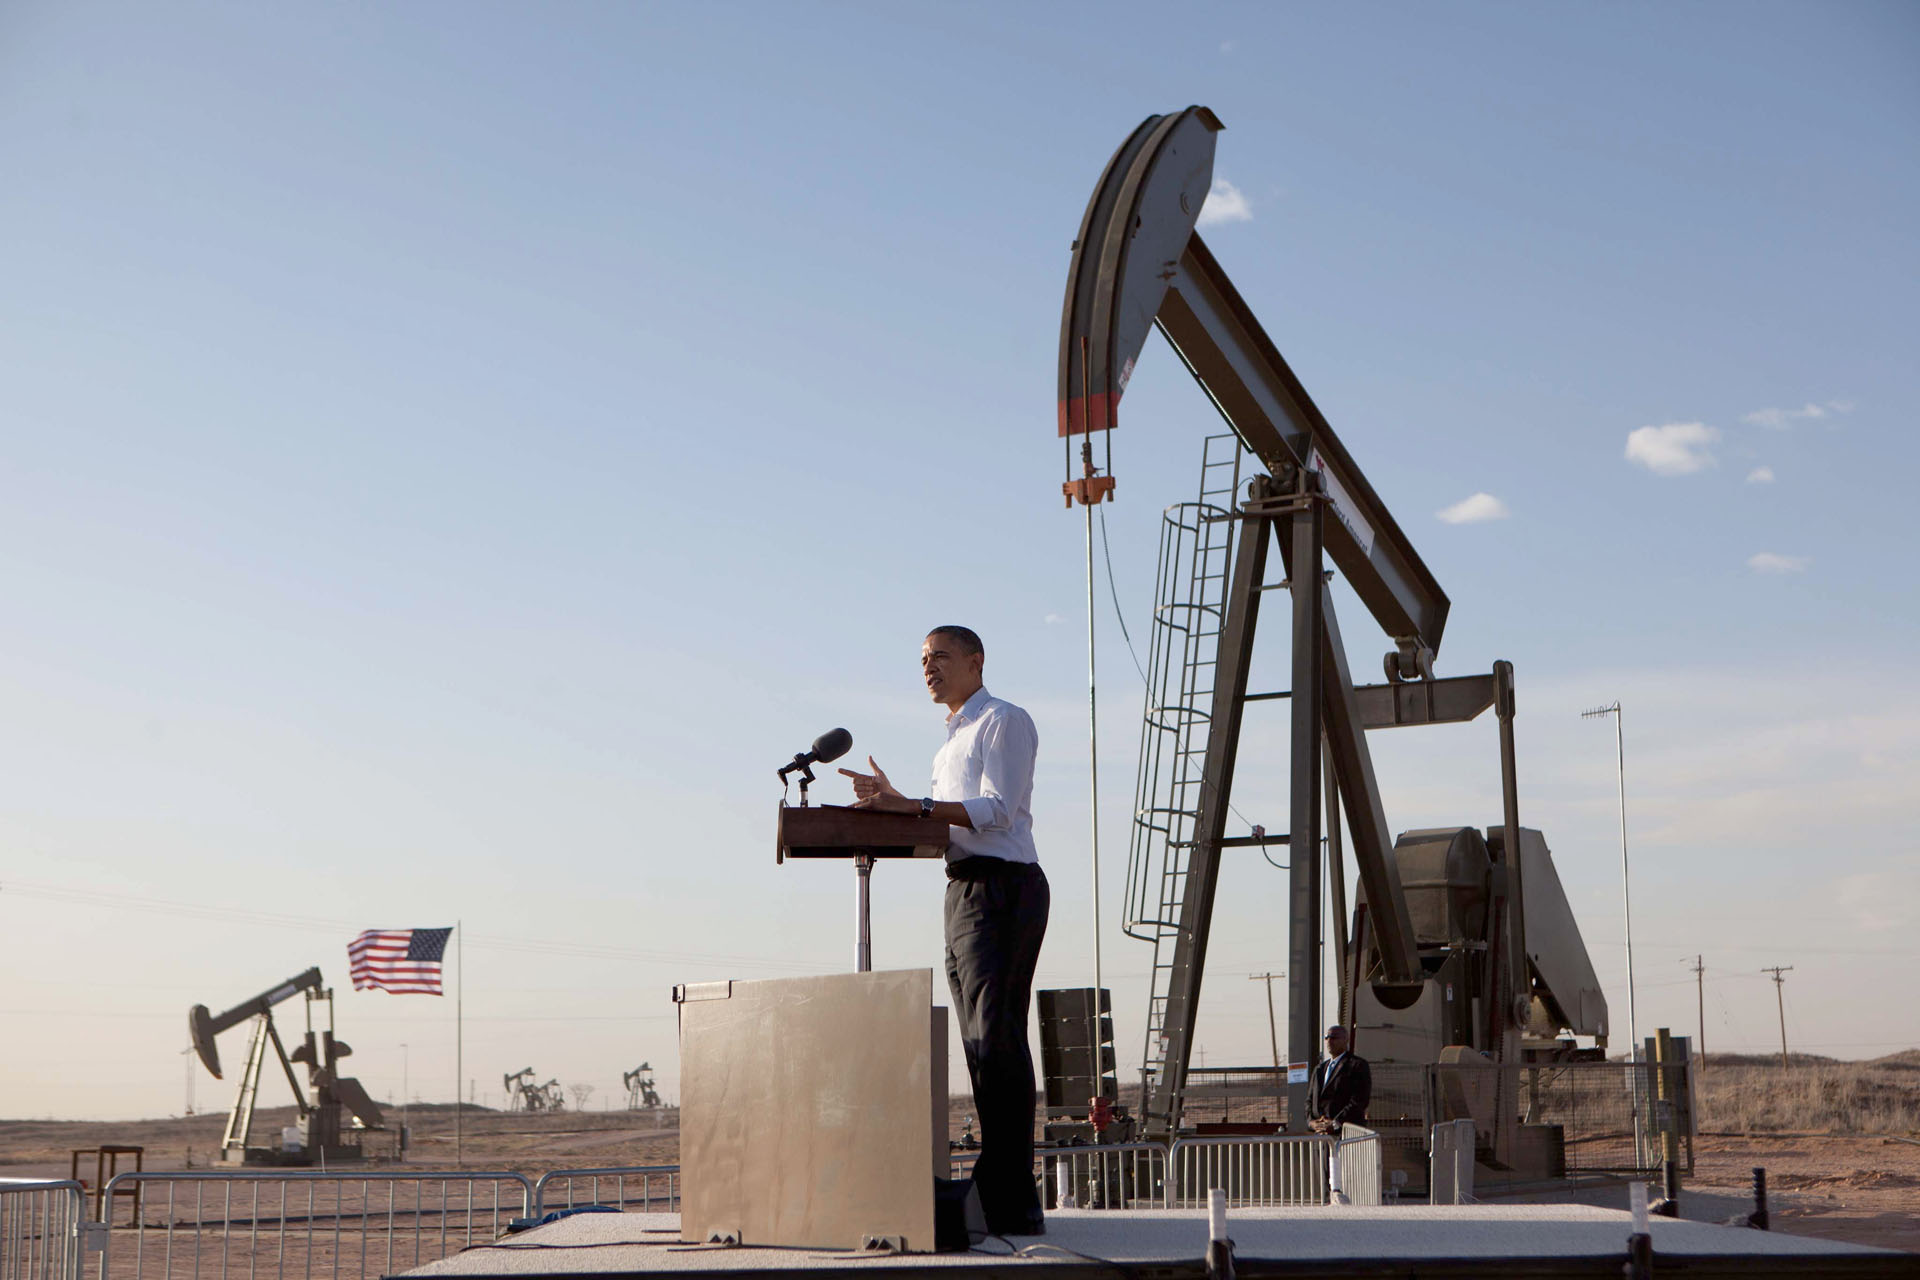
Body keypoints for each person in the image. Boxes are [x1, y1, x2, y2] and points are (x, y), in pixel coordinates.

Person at [839, 625, 1050, 1236]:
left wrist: (914, 807)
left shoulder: (1002, 721)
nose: (928, 668)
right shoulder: (946, 744)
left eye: (940, 657)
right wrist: (896, 802)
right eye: (922, 660)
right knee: (978, 1041)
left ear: (976, 662)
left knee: (998, 1034)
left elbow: (998, 811)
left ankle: (1012, 1193)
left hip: (1003, 885)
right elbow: (942, 826)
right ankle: (998, 1184)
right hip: (962, 887)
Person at [1308, 1023, 1371, 1134]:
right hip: (1321, 1135)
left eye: (1334, 1037)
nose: (1329, 1041)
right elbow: (1309, 1100)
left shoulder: (1357, 1065)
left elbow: (1360, 1099)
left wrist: (1336, 1123)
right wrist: (1312, 1122)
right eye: (1327, 1037)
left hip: (1347, 1133)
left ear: (1345, 1040)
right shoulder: (1319, 1069)